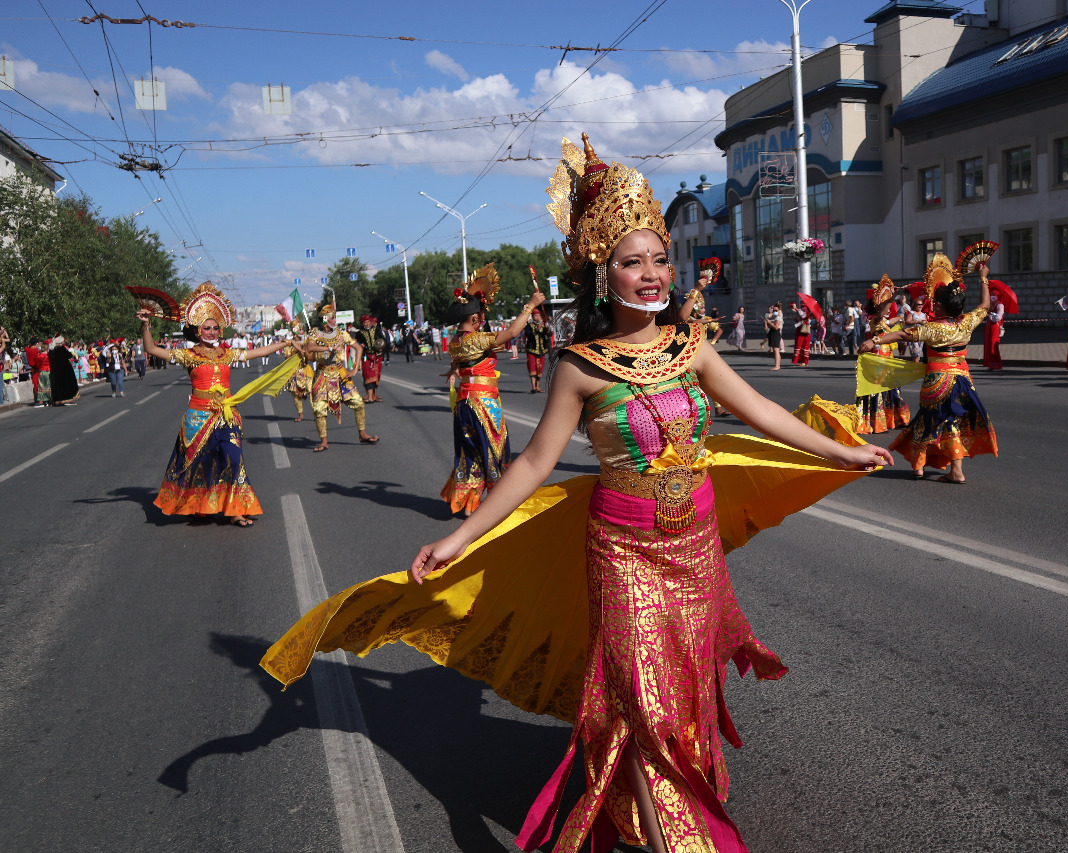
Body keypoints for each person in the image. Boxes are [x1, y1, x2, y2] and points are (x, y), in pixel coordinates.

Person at [261, 134, 892, 853]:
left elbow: (762, 413)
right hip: (623, 551)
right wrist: (459, 536)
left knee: (680, 693)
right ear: (603, 274)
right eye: (632, 261)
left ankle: (649, 802)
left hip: (694, 547)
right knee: (644, 703)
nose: (651, 273)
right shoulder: (580, 366)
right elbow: (532, 465)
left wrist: (842, 448)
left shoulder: (693, 345)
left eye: (659, 258)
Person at [138, 282, 301, 526]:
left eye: (215, 328)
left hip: (226, 417)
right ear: (196, 330)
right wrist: (145, 324)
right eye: (207, 328)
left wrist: (286, 343)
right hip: (198, 419)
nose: (212, 332)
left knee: (233, 459)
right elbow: (150, 348)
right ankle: (202, 506)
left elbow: (258, 352)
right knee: (203, 465)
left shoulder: (228, 354)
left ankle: (236, 510)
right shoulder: (188, 355)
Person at [861, 256, 997, 483]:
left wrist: (874, 341)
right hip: (962, 381)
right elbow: (985, 305)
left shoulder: (931, 329)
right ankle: (956, 470)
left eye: (935, 302)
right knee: (953, 422)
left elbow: (903, 334)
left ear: (940, 305)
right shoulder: (966, 323)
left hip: (937, 382)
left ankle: (920, 467)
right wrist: (983, 278)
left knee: (928, 420)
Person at [442, 263, 545, 516]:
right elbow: (511, 332)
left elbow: (467, 360)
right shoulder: (477, 340)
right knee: (494, 451)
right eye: (480, 318)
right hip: (483, 404)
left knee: (470, 454)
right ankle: (498, 505)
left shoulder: (456, 342)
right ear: (476, 318)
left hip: (463, 406)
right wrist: (530, 305)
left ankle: (468, 505)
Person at [307, 303, 379, 451]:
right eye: (332, 318)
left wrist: (355, 368)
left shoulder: (341, 334)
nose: (335, 321)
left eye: (335, 318)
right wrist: (328, 348)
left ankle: (362, 434)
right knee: (319, 409)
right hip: (322, 375)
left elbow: (358, 348)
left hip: (340, 374)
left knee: (358, 403)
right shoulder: (314, 333)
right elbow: (310, 348)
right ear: (326, 319)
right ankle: (324, 441)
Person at [853, 276, 912, 434]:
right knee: (879, 389)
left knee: (891, 388)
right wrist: (891, 297)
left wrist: (899, 317)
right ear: (879, 308)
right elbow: (883, 318)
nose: (888, 309)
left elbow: (889, 322)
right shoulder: (875, 320)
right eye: (886, 306)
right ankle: (877, 422)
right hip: (879, 358)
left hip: (888, 357)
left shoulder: (882, 321)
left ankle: (894, 419)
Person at [355, 315, 388, 403]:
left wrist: (380, 345)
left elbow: (382, 339)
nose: (367, 324)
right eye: (365, 322)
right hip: (367, 356)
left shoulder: (376, 329)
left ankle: (374, 395)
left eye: (368, 322)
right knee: (368, 376)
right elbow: (356, 342)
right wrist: (360, 345)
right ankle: (369, 396)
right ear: (362, 324)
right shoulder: (360, 333)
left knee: (376, 376)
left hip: (377, 356)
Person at [523, 307, 553, 393]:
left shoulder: (543, 325)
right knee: (532, 367)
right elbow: (528, 335)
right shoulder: (529, 326)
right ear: (533, 317)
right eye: (536, 315)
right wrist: (537, 329)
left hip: (542, 350)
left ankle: (538, 386)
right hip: (532, 350)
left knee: (540, 368)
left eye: (539, 315)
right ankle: (533, 386)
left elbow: (549, 334)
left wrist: (546, 328)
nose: (537, 317)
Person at [47, 336, 79, 405]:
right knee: (65, 384)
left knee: (57, 385)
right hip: (64, 369)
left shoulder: (51, 350)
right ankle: (67, 399)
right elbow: (69, 355)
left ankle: (57, 400)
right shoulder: (61, 349)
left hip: (55, 370)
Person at [983, 287, 1004, 371]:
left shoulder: (1000, 305)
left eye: (994, 295)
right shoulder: (991, 305)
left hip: (995, 326)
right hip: (989, 326)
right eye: (991, 295)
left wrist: (990, 315)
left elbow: (998, 317)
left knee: (993, 344)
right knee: (988, 344)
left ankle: (996, 364)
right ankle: (990, 364)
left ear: (998, 296)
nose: (992, 297)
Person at [902, 297, 927, 362]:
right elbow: (907, 321)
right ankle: (915, 366)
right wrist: (918, 322)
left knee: (918, 352)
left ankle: (915, 366)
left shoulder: (923, 314)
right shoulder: (912, 313)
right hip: (913, 334)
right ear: (915, 305)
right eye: (918, 304)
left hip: (921, 335)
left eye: (921, 304)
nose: (920, 306)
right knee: (915, 353)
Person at [765, 301, 783, 370]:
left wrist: (770, 323)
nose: (775, 311)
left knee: (776, 350)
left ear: (779, 311)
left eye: (776, 310)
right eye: (774, 310)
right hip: (773, 333)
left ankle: (777, 366)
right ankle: (778, 365)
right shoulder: (774, 317)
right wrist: (767, 323)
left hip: (776, 333)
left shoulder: (778, 318)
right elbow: (771, 327)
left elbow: (776, 327)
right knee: (776, 350)